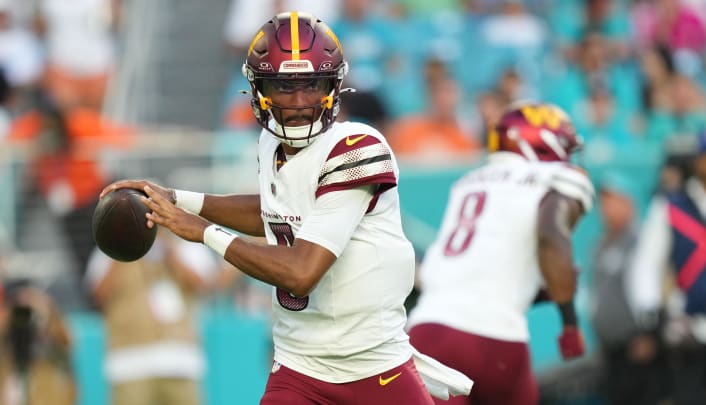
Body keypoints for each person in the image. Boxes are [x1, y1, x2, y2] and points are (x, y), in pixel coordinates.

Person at [100, 11, 471, 405]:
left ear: (333, 86)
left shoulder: (358, 149)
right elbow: (275, 213)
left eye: (312, 85)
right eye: (283, 86)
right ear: (260, 90)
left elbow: (302, 271)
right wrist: (178, 198)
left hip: (374, 366)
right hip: (301, 367)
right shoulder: (269, 145)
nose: (299, 102)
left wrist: (203, 231)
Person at [407, 101, 595, 405]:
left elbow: (467, 272)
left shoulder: (467, 183)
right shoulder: (556, 177)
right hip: (493, 339)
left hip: (426, 330)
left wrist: (533, 292)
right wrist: (569, 322)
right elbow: (551, 234)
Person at [627, 127, 706, 405]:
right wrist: (651, 314)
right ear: (696, 160)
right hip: (690, 329)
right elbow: (646, 262)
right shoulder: (671, 205)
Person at [85, 229, 217, 405]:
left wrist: (170, 250)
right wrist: (123, 249)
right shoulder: (111, 245)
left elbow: (203, 285)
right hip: (130, 364)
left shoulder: (186, 240)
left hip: (180, 361)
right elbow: (98, 295)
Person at [590, 173, 671, 405]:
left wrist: (649, 333)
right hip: (611, 349)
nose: (607, 208)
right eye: (604, 201)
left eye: (614, 200)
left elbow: (655, 288)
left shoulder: (643, 241)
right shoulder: (601, 244)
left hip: (638, 347)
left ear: (629, 203)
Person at [0, 279, 76, 405]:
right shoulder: (6, 324)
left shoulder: (52, 323)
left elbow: (67, 342)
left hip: (46, 389)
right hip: (12, 381)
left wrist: (44, 311)